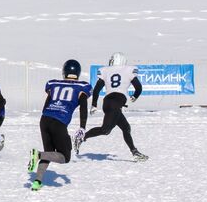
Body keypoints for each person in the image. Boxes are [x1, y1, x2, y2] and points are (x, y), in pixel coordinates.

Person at [28, 59, 92, 191]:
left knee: (49, 153)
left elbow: (46, 105)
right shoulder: (82, 87)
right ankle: (37, 155)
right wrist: (82, 127)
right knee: (64, 157)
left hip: (44, 120)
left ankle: (37, 181)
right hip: (59, 122)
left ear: (64, 72)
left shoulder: (54, 84)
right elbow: (83, 108)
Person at [79, 52, 148, 161]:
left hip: (108, 102)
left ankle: (135, 152)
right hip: (116, 103)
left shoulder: (106, 71)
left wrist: (94, 104)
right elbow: (138, 87)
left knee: (126, 128)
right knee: (105, 130)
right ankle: (82, 137)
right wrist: (134, 96)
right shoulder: (128, 70)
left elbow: (96, 89)